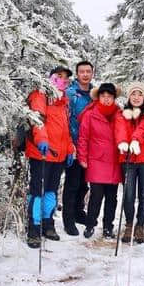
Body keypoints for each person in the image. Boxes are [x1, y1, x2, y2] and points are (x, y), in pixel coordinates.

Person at [25, 66, 76, 249]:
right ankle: (34, 226)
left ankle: (48, 223)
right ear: (51, 78)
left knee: (51, 191)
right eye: (59, 77)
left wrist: (70, 149)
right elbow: (37, 121)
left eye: (66, 78)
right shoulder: (40, 95)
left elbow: (65, 130)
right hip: (42, 153)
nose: (63, 80)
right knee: (37, 190)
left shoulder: (64, 102)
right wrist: (41, 140)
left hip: (59, 155)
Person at [77, 83, 122, 239]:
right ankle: (90, 225)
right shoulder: (90, 114)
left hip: (115, 160)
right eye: (103, 96)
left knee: (112, 197)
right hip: (97, 159)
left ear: (114, 98)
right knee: (96, 195)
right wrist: (82, 157)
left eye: (110, 97)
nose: (107, 99)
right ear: (99, 97)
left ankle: (108, 227)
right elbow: (83, 138)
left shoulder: (119, 113)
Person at [114, 82, 144, 244]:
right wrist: (124, 142)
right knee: (129, 193)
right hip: (127, 158)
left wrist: (136, 141)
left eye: (139, 94)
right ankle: (129, 224)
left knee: (143, 193)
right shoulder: (122, 113)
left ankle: (140, 225)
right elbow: (120, 130)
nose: (136, 97)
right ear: (129, 96)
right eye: (133, 94)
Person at [62, 61, 94, 235]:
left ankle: (78, 212)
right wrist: (69, 142)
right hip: (73, 143)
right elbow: (65, 119)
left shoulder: (95, 94)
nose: (85, 74)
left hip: (90, 146)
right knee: (72, 182)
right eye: (82, 71)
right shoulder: (70, 94)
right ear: (77, 74)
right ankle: (68, 219)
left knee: (84, 182)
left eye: (88, 71)